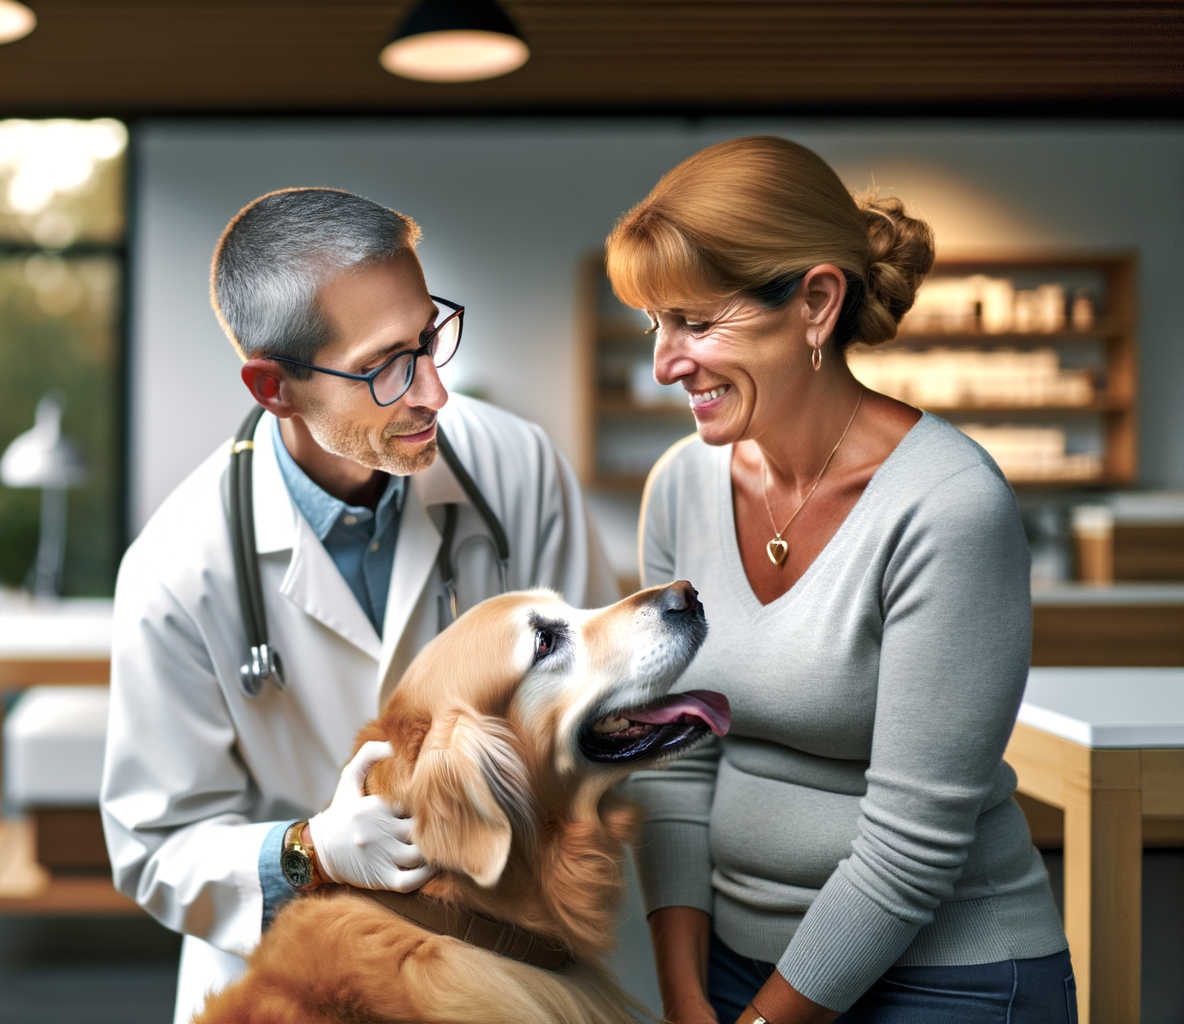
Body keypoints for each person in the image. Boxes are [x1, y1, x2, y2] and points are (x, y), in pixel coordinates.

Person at [102, 187, 620, 1023]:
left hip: (511, 953)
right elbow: (156, 846)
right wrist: (309, 852)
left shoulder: (514, 466)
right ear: (274, 387)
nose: (434, 393)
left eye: (429, 339)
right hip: (302, 978)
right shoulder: (175, 568)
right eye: (387, 365)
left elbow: (604, 697)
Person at [615, 137, 1073, 1024]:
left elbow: (912, 845)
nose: (667, 363)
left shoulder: (946, 504)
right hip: (735, 975)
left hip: (947, 982)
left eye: (697, 324)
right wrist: (685, 998)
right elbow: (672, 763)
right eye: (656, 324)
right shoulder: (680, 484)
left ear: (816, 301)